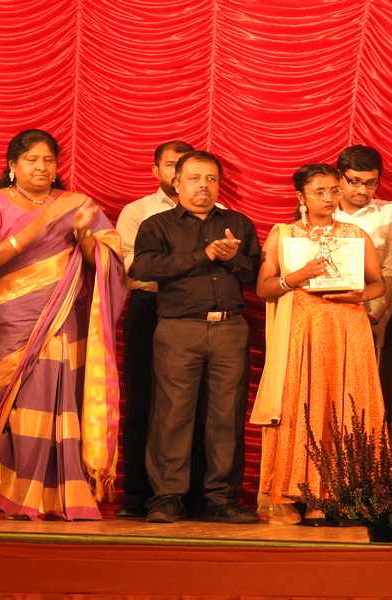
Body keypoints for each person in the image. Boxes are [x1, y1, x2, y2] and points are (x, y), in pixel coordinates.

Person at [0, 129, 126, 521]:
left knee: (58, 398)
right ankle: (18, 493)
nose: (41, 167)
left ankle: (62, 495)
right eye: (31, 160)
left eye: (48, 160)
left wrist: (86, 236)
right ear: (12, 166)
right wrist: (32, 233)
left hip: (61, 317)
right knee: (20, 404)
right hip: (10, 323)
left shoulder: (75, 205)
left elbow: (102, 263)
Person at [131, 150, 261, 524]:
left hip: (229, 328)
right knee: (172, 413)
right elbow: (144, 267)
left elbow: (256, 274)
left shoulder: (238, 223)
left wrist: (232, 258)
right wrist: (204, 254)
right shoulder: (157, 225)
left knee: (226, 415)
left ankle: (220, 498)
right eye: (194, 178)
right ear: (176, 183)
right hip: (178, 328)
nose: (203, 185)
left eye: (211, 179)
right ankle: (166, 497)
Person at [251, 163, 386, 523]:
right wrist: (298, 276)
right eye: (319, 192)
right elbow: (264, 288)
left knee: (344, 402)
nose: (328, 198)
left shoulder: (355, 235)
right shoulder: (284, 235)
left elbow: (379, 284)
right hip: (303, 330)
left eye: (333, 191)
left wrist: (360, 296)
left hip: (348, 328)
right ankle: (290, 492)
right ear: (301, 196)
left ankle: (338, 495)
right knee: (302, 402)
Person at [115, 139, 193, 518]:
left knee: (191, 405)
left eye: (185, 166)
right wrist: (191, 265)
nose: (178, 173)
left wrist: (173, 267)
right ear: (156, 170)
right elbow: (131, 265)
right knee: (142, 401)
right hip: (149, 307)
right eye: (171, 165)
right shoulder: (138, 212)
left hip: (196, 312)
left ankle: (189, 497)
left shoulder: (220, 214)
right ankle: (136, 495)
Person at [334, 145, 392, 359]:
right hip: (325, 314)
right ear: (339, 177)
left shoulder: (390, 213)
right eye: (355, 181)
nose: (362, 190)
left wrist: (374, 317)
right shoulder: (322, 210)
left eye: (371, 183)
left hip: (373, 315)